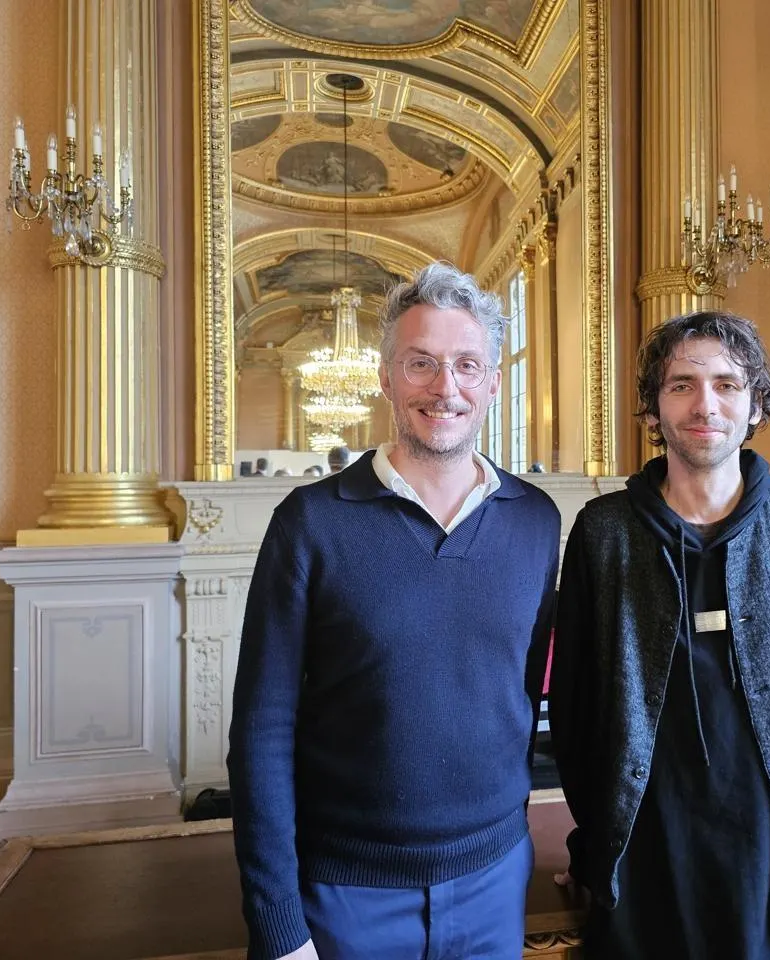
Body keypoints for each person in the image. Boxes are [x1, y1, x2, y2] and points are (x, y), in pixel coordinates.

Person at [549, 311, 770, 959]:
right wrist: (596, 844)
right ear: (653, 406)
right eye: (682, 384)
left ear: (756, 406)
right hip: (648, 876)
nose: (705, 404)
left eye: (726, 384)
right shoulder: (604, 534)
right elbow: (576, 715)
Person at [228, 262, 561, 960]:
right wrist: (277, 921)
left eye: (467, 365)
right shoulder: (310, 523)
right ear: (386, 378)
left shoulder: (535, 520)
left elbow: (522, 692)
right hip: (346, 891)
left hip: (495, 880)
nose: (446, 388)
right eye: (421, 363)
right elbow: (261, 730)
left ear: (493, 384)